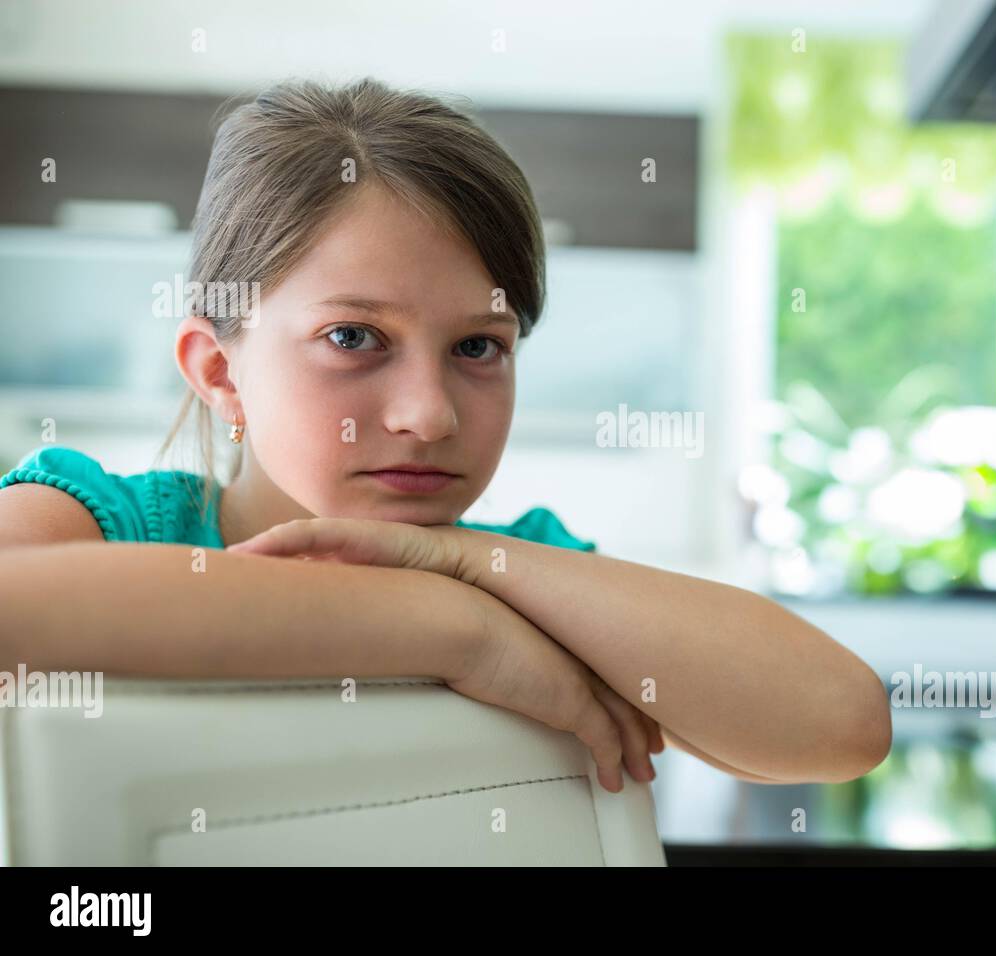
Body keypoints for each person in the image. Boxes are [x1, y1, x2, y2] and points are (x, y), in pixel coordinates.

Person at [0, 78, 890, 793]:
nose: (430, 414)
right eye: (353, 338)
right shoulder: (103, 523)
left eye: (478, 346)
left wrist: (471, 574)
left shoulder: (526, 570)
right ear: (219, 368)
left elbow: (843, 722)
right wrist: (459, 634)